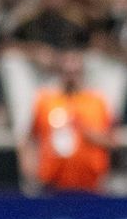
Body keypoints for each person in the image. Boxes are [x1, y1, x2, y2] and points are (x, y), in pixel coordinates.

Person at [16, 48, 115, 194]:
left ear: (81, 72)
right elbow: (29, 138)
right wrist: (29, 168)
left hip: (90, 184)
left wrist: (84, 129)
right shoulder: (45, 101)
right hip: (51, 183)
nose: (70, 77)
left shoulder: (96, 101)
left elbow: (111, 140)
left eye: (74, 72)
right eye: (66, 72)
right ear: (59, 73)